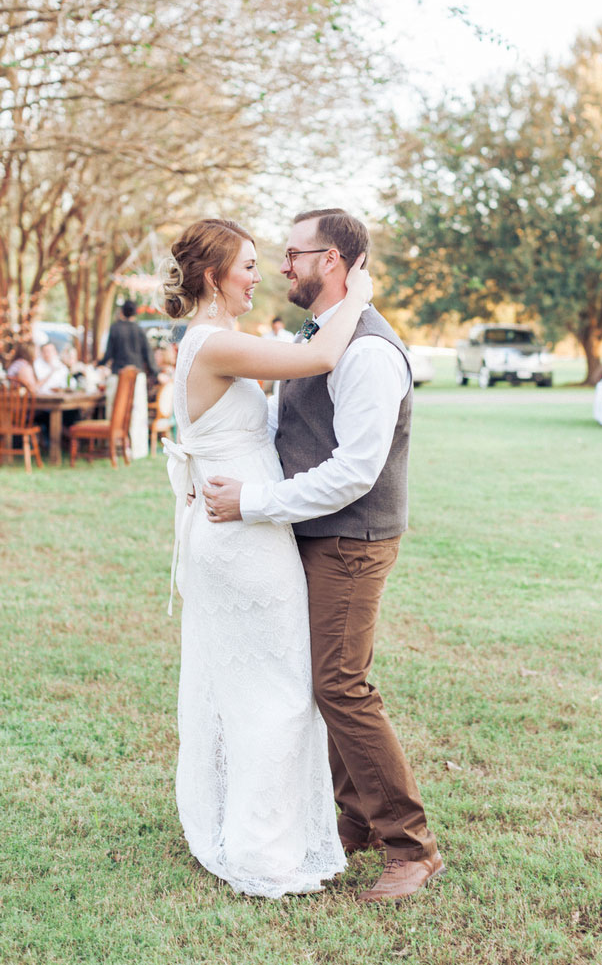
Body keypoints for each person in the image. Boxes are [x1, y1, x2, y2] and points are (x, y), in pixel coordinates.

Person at [202, 208, 444, 903]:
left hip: (352, 540)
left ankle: (412, 846)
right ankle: (357, 822)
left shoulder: (367, 351)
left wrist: (250, 502)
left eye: (293, 254)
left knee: (341, 684)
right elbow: (291, 434)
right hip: (318, 537)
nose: (283, 267)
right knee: (320, 681)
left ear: (331, 260)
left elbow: (354, 472)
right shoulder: (324, 337)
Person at [161, 216, 372, 898]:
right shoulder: (216, 343)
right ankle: (262, 848)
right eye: (248, 265)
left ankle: (250, 826)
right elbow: (317, 358)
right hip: (243, 534)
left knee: (250, 687)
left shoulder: (207, 343)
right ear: (213, 274)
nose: (261, 276)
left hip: (232, 524)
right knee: (279, 691)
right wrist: (358, 297)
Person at [99, 300, 157, 459]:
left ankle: (116, 446)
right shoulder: (139, 330)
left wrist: (99, 364)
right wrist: (156, 373)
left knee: (115, 412)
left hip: (117, 376)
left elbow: (108, 354)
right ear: (135, 313)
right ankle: (138, 449)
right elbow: (148, 355)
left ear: (122, 312)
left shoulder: (115, 328)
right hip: (137, 377)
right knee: (137, 412)